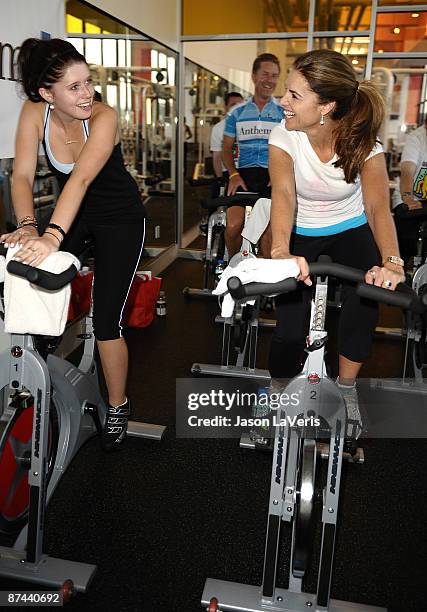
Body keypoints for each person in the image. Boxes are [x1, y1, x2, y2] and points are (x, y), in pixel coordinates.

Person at [0, 38, 146, 451]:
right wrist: (29, 227)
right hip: (74, 215)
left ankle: (118, 404)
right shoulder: (34, 113)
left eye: (88, 82)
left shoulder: (103, 117)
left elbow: (80, 179)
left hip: (120, 218)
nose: (88, 94)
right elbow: (22, 177)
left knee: (106, 320)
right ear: (47, 94)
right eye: (75, 86)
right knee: (32, 282)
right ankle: (37, 382)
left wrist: (50, 236)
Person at [268, 49, 405, 440]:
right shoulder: (284, 133)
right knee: (289, 329)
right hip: (301, 229)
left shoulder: (364, 143)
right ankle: (278, 391)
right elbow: (283, 195)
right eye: (286, 92)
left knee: (365, 303)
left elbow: (378, 207)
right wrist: (280, 250)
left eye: (295, 96)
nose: (284, 102)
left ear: (326, 105)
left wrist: (392, 261)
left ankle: (346, 390)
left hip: (350, 228)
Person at [222, 53, 283, 257]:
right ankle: (233, 269)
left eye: (274, 76)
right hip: (242, 175)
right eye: (265, 74)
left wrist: (280, 176)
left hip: (271, 176)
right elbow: (226, 149)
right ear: (254, 76)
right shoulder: (236, 113)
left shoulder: (284, 113)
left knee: (268, 235)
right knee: (232, 227)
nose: (270, 80)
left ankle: (262, 282)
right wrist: (232, 174)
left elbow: (292, 149)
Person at [392, 119, 427, 261]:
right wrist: (407, 197)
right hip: (407, 196)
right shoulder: (416, 138)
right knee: (406, 239)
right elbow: (407, 170)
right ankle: (403, 263)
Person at [210, 91, 244, 192]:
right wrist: (220, 180)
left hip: (248, 171)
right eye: (233, 105)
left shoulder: (251, 125)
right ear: (226, 107)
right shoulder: (218, 128)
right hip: (228, 172)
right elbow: (217, 158)